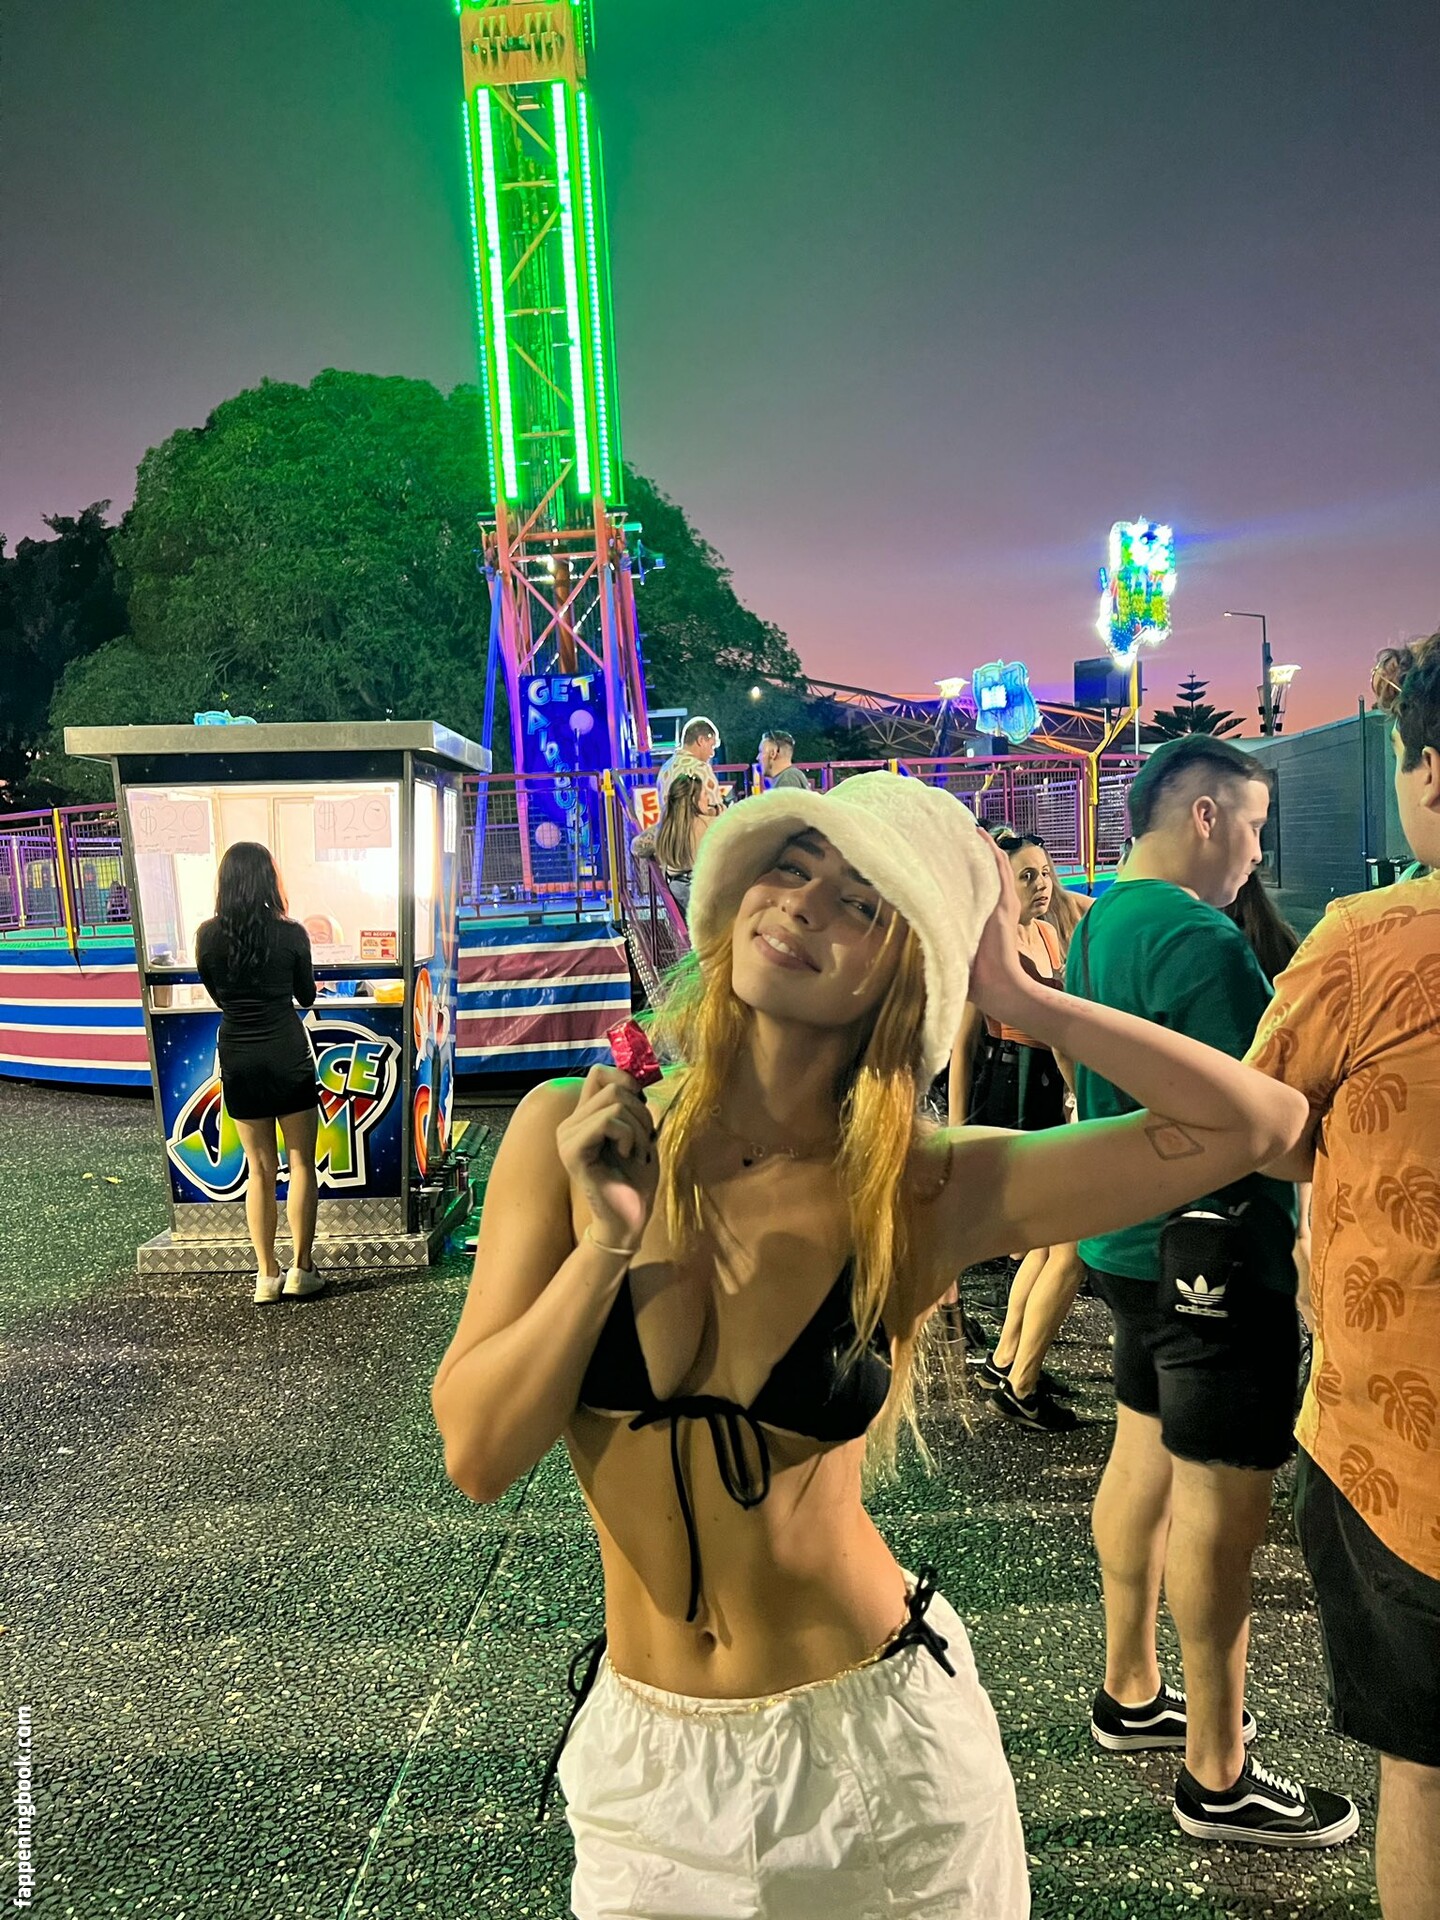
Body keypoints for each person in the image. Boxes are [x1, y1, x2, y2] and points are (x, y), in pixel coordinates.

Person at [431, 769, 1311, 1918]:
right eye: (788, 870)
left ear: (911, 972)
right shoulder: (575, 1130)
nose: (803, 904)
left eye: (861, 904)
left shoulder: (921, 1188)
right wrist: (604, 1245)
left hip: (870, 1759)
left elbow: (1257, 1125)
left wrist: (1019, 993)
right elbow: (479, 1455)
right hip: (645, 1775)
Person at [1067, 735, 1358, 1848]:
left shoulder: (1102, 922)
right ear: (1203, 816)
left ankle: (1131, 1689)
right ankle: (1218, 1773)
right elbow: (1269, 1122)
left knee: (1142, 1452)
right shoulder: (1199, 938)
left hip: (1128, 1244)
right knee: (1223, 1505)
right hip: (1216, 1257)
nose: (1255, 853)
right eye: (1252, 826)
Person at [1247, 633, 1440, 1920]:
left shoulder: (1374, 940)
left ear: (1431, 771)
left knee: (1423, 1771)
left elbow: (1266, 1120)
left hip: (1405, 1450)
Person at [948, 832, 1079, 1432]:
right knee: (1048, 1240)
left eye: (1045, 872)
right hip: (1014, 1087)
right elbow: (964, 1045)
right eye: (1026, 875)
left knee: (1047, 1238)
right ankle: (1014, 1371)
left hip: (1050, 1085)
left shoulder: (1048, 933)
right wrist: (956, 1130)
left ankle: (1009, 1362)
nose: (1041, 884)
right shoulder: (990, 944)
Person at [196, 843, 323, 1307]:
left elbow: (217, 993)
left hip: (239, 1055)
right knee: (301, 1163)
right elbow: (306, 997)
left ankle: (266, 1275)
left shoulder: (207, 935)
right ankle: (302, 1269)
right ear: (269, 879)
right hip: (287, 1052)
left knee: (260, 1169)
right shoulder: (291, 933)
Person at [652, 773, 716, 918]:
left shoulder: (666, 827)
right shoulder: (711, 824)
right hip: (705, 894)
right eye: (705, 794)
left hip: (677, 892)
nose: (708, 799)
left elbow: (636, 846)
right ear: (694, 799)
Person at [657, 716, 724, 814]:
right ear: (701, 740)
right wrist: (719, 809)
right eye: (711, 746)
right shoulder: (701, 769)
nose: (712, 753)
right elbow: (719, 814)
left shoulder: (665, 768)